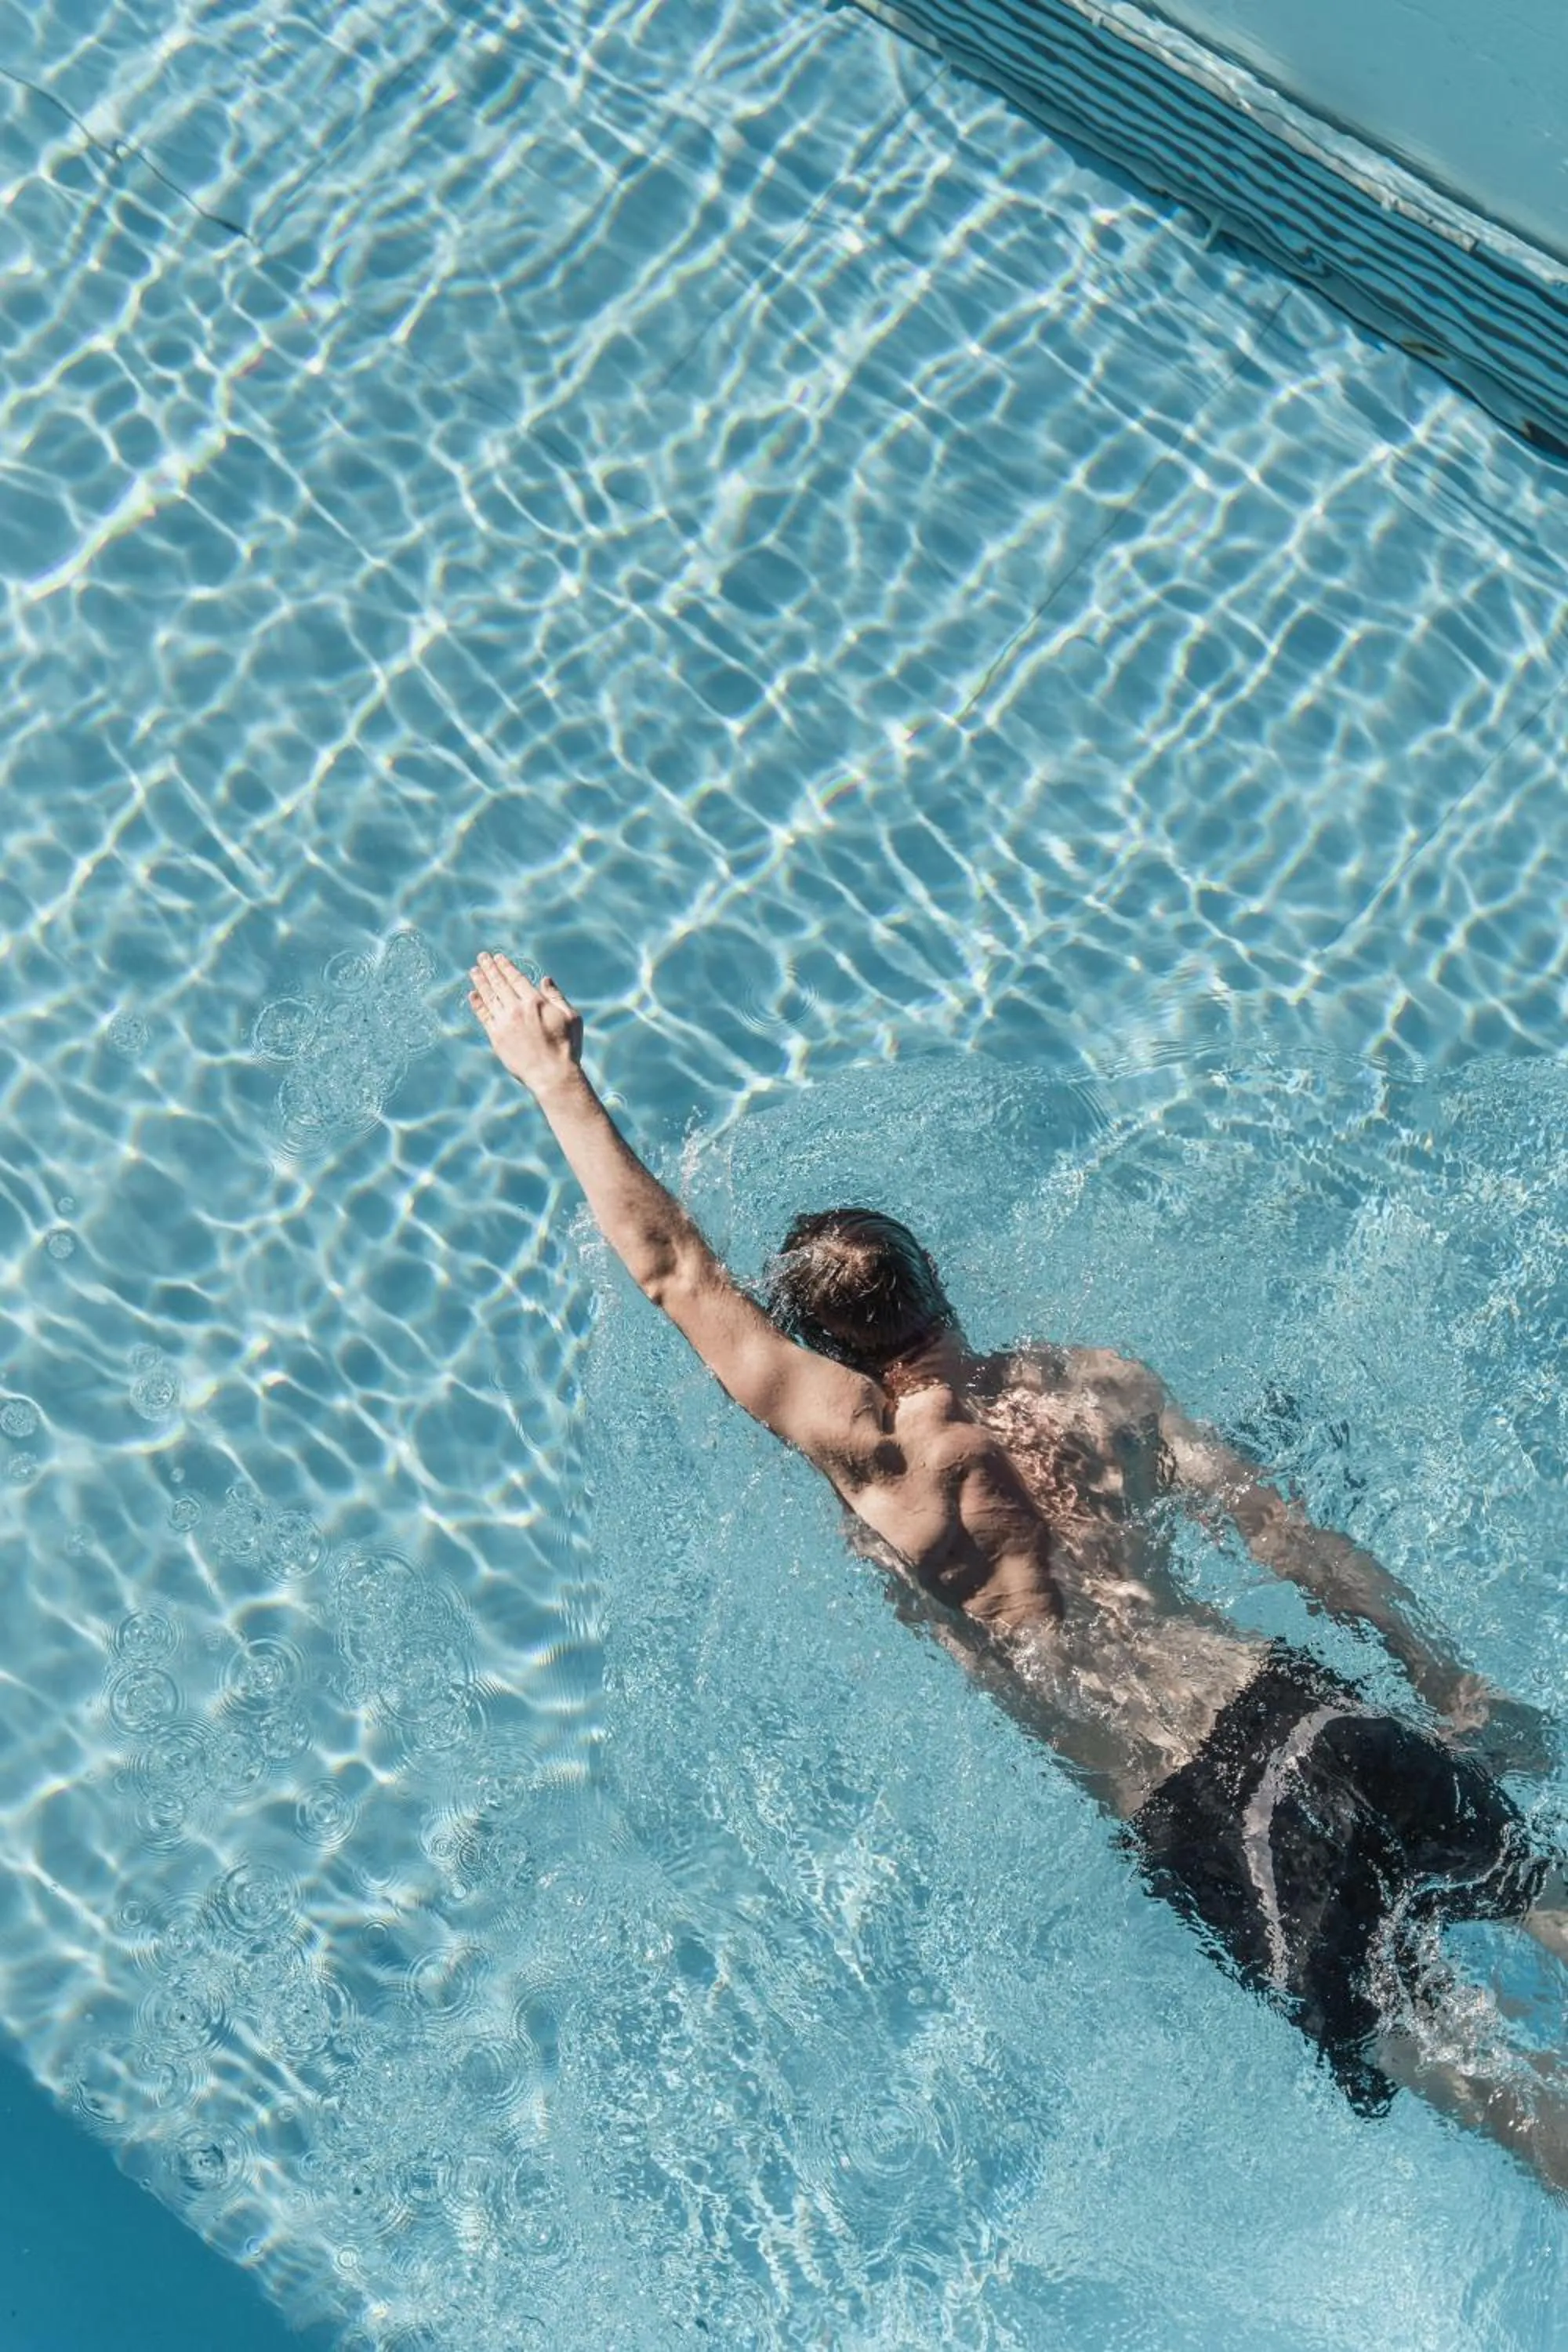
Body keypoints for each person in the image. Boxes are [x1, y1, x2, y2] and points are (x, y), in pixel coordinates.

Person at [468, 951, 1568, 2190]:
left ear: (830, 1352)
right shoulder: (1096, 1385)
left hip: (1197, 1806)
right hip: (1304, 1706)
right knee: (1548, 1899)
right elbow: (1289, 1539)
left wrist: (554, 1078)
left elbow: (676, 1271)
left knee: (1499, 2091)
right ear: (938, 1280)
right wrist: (1444, 1676)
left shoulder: (887, 1458)